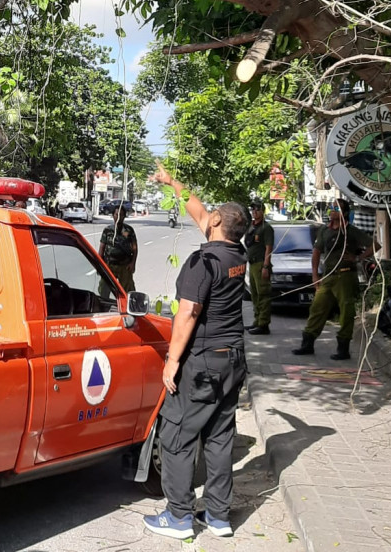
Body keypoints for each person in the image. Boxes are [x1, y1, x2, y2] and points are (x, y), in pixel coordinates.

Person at [143, 170, 249, 541]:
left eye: (213, 213)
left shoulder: (202, 263)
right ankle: (218, 517)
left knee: (177, 435)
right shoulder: (236, 254)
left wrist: (172, 361)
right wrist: (173, 183)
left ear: (219, 222)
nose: (208, 215)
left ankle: (179, 516)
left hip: (202, 362)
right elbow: (200, 214)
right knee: (219, 436)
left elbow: (187, 313)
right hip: (232, 359)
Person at [292, 206, 377, 361]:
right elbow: (316, 252)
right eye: (331, 207)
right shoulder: (325, 230)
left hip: (345, 276)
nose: (331, 211)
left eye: (335, 208)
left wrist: (358, 258)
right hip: (328, 277)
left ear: (343, 213)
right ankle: (307, 343)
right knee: (317, 308)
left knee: (346, 312)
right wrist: (315, 275)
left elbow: (375, 245)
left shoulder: (350, 231)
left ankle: (343, 348)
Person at [243, 196, 274, 335]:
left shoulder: (266, 228)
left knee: (263, 295)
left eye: (257, 209)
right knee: (254, 295)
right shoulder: (252, 226)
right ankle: (257, 320)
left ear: (262, 211)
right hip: (252, 263)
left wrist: (266, 267)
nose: (254, 211)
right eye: (253, 209)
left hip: (261, 263)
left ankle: (263, 324)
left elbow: (269, 248)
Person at [98, 202, 138, 291]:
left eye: (121, 215)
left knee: (127, 291)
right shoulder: (107, 230)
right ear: (113, 215)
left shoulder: (129, 230)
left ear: (124, 216)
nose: (118, 217)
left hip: (125, 266)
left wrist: (133, 263)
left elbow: (134, 248)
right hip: (109, 266)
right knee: (104, 289)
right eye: (116, 214)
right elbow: (102, 248)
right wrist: (99, 265)